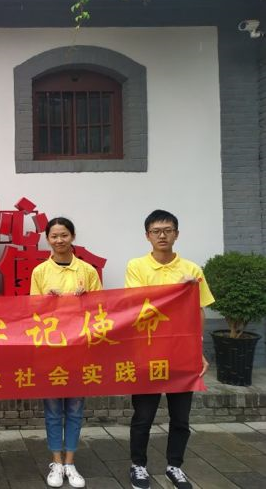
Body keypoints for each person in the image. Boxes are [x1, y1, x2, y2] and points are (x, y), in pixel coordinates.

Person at [125, 209, 213, 489]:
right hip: (147, 351)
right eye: (156, 231)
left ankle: (175, 466)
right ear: (147, 236)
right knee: (143, 416)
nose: (162, 236)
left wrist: (197, 348)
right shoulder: (136, 266)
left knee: (181, 418)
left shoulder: (192, 270)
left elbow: (198, 311)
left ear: (176, 234)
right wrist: (178, 292)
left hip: (181, 353)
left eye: (167, 230)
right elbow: (138, 305)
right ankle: (138, 465)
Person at [29, 217, 101, 489]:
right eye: (54, 236)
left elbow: (101, 310)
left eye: (64, 235)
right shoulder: (40, 272)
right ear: (47, 239)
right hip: (51, 350)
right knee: (52, 410)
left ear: (72, 237)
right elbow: (31, 312)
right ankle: (56, 462)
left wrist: (87, 299)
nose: (59, 240)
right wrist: (45, 301)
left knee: (74, 408)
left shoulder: (87, 271)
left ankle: (70, 462)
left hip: (79, 350)